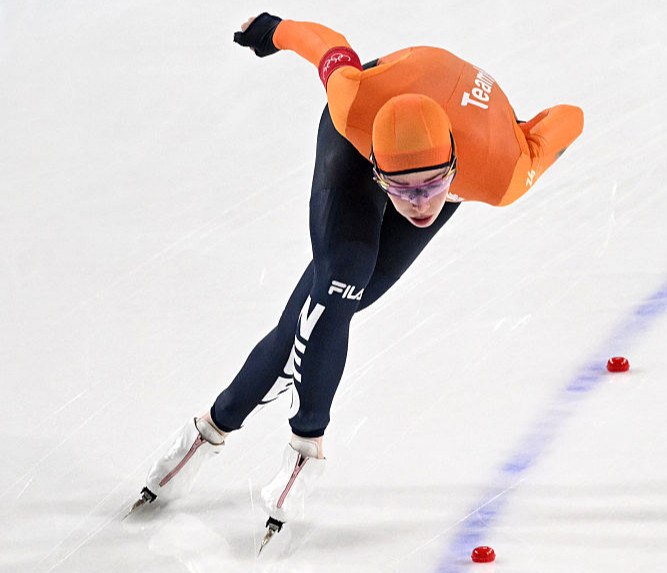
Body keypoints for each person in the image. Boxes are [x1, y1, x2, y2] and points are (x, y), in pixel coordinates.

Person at [130, 12, 584, 546]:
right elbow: (325, 44)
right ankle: (301, 449)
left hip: (474, 136)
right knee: (340, 281)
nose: (420, 205)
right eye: (402, 188)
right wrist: (271, 29)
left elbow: (569, 117)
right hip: (360, 136)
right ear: (379, 173)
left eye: (433, 185)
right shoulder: (353, 103)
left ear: (454, 166)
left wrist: (514, 132)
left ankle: (215, 424)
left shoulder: (501, 172)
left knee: (337, 302)